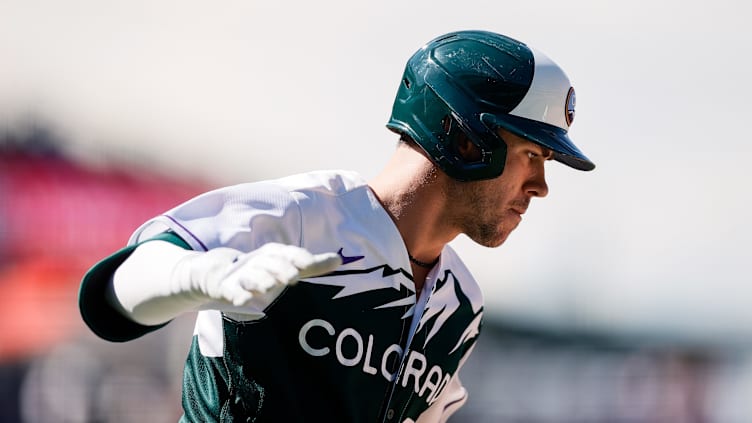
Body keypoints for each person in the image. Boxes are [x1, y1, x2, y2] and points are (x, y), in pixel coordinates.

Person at [78, 29, 594, 423]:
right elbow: (117, 291)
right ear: (462, 139)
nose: (541, 185)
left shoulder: (463, 304)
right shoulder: (301, 216)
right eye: (531, 154)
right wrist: (201, 276)